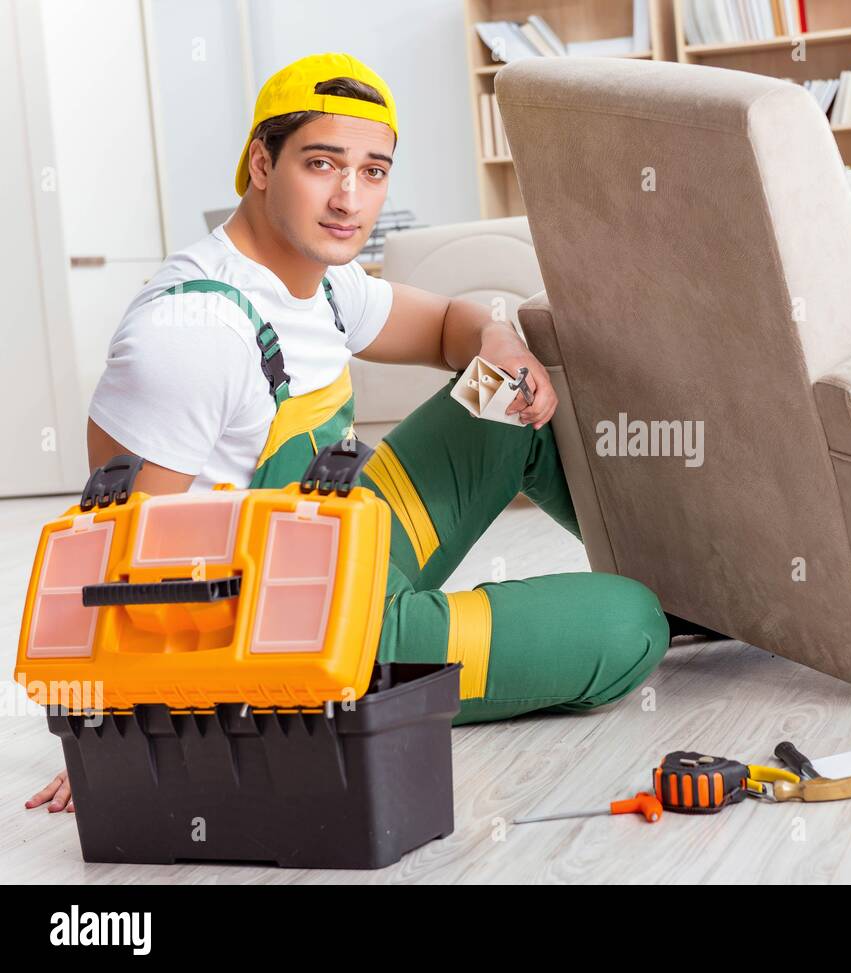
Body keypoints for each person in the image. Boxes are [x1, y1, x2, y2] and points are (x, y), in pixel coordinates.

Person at [27, 53, 669, 815]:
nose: (349, 198)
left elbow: (445, 323)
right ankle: (660, 605)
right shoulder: (192, 330)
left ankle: (695, 586)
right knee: (632, 623)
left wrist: (499, 345)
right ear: (261, 164)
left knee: (505, 403)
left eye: (373, 171)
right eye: (322, 164)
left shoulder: (324, 280)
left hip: (345, 544)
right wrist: (124, 738)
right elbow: (118, 562)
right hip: (301, 644)